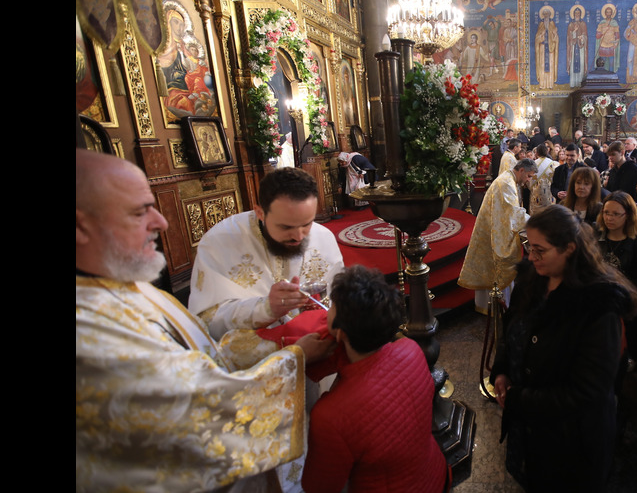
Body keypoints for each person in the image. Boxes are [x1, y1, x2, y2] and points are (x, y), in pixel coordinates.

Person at [76, 149, 333, 491]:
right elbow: (197, 412)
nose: (162, 222)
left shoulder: (120, 282)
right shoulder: (90, 330)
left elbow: (197, 352)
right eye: (140, 212)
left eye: (306, 225)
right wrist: (290, 350)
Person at [491, 204, 637, 491]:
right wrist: (501, 369)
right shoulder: (532, 280)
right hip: (531, 428)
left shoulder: (598, 306)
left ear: (569, 249)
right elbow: (513, 331)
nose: (531, 256)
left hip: (570, 439)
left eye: (540, 250)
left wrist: (518, 399)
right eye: (528, 247)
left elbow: (587, 392)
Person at [302, 266, 447, 493]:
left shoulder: (329, 416)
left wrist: (297, 356)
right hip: (435, 474)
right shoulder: (411, 349)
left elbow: (319, 486)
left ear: (341, 333)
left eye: (331, 306)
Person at [189, 167, 344, 341]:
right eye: (286, 227)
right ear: (260, 213)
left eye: (307, 224)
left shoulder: (323, 236)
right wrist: (267, 308)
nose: (298, 236)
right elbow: (207, 321)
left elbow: (339, 298)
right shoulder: (219, 242)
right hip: (261, 354)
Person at [459, 159, 536, 310]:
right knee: (497, 267)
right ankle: (497, 308)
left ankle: (496, 306)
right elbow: (513, 213)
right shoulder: (506, 183)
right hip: (494, 233)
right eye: (529, 176)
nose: (528, 180)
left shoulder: (508, 179)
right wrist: (535, 222)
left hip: (493, 228)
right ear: (521, 170)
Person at [597, 191, 637, 366]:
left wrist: (619, 295)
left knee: (627, 342)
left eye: (616, 214)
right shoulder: (596, 236)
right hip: (600, 302)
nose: (609, 218)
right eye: (606, 213)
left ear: (628, 215)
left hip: (627, 304)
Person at [530, 143, 558, 214]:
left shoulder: (532, 164)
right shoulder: (554, 164)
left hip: (537, 195)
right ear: (547, 151)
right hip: (550, 194)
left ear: (536, 153)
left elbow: (528, 181)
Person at [567, 6, 589, 87]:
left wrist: (582, 38)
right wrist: (574, 31)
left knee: (581, 63)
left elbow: (585, 36)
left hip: (581, 48)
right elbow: (569, 37)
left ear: (580, 14)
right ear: (573, 14)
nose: (577, 15)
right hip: (573, 47)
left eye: (578, 13)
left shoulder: (583, 24)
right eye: (575, 13)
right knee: (573, 63)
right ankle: (573, 83)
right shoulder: (571, 25)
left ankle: (581, 83)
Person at [595, 4, 621, 72]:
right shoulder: (602, 23)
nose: (608, 14)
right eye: (607, 12)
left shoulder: (614, 23)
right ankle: (602, 77)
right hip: (603, 45)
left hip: (611, 46)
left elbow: (617, 35)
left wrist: (616, 44)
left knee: (611, 64)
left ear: (612, 13)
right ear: (605, 13)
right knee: (602, 63)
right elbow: (597, 36)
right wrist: (602, 32)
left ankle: (612, 77)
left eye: (610, 12)